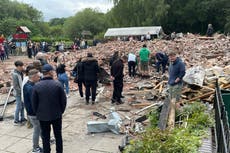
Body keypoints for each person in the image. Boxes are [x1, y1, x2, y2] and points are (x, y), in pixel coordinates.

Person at [32, 64, 67, 153]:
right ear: (50, 72)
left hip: (43, 116)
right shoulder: (57, 84)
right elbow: (63, 101)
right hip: (56, 115)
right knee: (58, 135)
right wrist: (60, 111)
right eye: (53, 71)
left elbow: (34, 103)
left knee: (45, 137)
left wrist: (38, 113)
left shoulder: (36, 86)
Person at [23, 69, 43, 153]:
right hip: (34, 113)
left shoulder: (28, 85)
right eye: (38, 77)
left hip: (32, 112)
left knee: (40, 128)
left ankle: (46, 139)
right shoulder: (30, 88)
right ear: (34, 77)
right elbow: (34, 102)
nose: (39, 78)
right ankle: (35, 148)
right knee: (37, 129)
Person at [11, 60, 26, 125]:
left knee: (22, 106)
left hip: (21, 92)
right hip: (18, 93)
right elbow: (15, 86)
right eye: (21, 66)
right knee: (19, 106)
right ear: (18, 66)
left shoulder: (21, 72)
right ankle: (16, 120)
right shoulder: (15, 74)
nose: (23, 67)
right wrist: (21, 92)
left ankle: (22, 118)